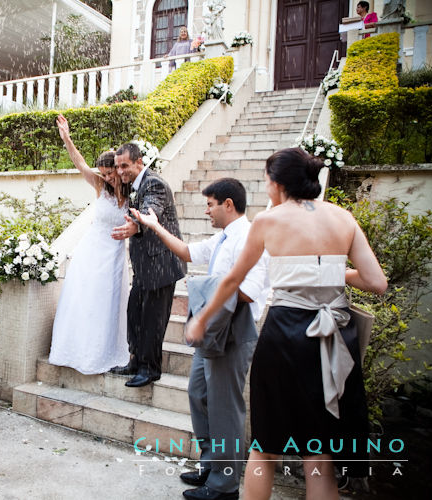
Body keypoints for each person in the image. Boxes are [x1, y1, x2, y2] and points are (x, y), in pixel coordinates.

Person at [185, 148, 388, 500]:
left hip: (286, 334)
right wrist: (330, 271)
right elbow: (376, 282)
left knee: (265, 447)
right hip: (334, 336)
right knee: (319, 451)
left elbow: (233, 280)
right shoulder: (343, 218)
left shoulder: (269, 220)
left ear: (277, 183)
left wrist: (202, 318)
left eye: (267, 181)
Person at [132, 178, 269, 500]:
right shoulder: (223, 236)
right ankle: (210, 464)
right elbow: (187, 251)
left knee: (226, 409)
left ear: (228, 205)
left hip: (234, 329)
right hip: (213, 328)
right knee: (198, 393)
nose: (206, 210)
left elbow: (250, 291)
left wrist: (209, 295)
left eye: (210, 204)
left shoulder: (249, 237)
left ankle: (224, 486)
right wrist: (154, 225)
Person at [48, 115, 130, 374]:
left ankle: (104, 350)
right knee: (86, 298)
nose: (107, 178)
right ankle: (77, 351)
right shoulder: (99, 186)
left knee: (109, 302)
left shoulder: (132, 193)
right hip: (92, 251)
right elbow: (79, 163)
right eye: (104, 174)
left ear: (119, 169)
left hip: (115, 255)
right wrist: (67, 138)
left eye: (110, 173)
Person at [110, 142, 186, 387]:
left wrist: (136, 224)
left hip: (162, 264)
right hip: (145, 266)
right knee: (135, 314)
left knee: (153, 319)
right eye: (118, 166)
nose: (120, 171)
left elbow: (150, 209)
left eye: (125, 165)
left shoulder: (154, 183)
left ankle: (150, 369)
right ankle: (135, 360)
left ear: (139, 162)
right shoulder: (134, 184)